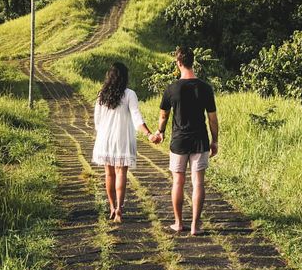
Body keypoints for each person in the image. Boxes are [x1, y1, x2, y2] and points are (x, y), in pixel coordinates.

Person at [152, 46, 219, 235]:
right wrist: (215, 141)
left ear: (178, 63)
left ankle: (178, 222)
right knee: (198, 182)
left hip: (179, 141)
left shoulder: (172, 88)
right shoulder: (205, 88)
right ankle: (195, 226)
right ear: (193, 62)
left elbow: (163, 116)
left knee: (178, 182)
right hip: (200, 140)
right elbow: (212, 118)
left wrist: (160, 132)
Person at [92, 62, 152, 223]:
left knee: (109, 174)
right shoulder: (129, 94)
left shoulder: (102, 95)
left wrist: (104, 133)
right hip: (122, 138)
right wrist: (148, 133)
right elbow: (136, 116)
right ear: (125, 77)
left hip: (105, 139)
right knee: (121, 174)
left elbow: (97, 121)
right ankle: (119, 208)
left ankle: (111, 207)